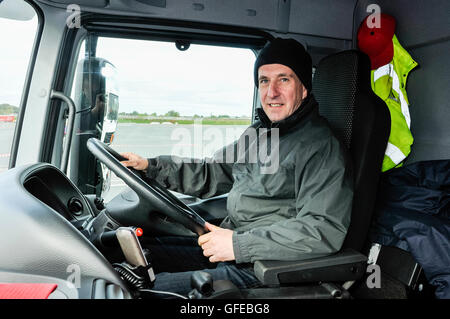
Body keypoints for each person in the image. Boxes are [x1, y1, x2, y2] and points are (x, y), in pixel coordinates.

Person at [120, 38, 354, 297]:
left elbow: (321, 228)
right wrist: (151, 166)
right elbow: (213, 172)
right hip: (233, 245)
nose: (271, 92)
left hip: (265, 266)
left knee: (140, 291)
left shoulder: (321, 146)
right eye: (264, 80)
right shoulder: (259, 134)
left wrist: (238, 245)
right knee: (135, 256)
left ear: (304, 89)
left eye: (283, 79)